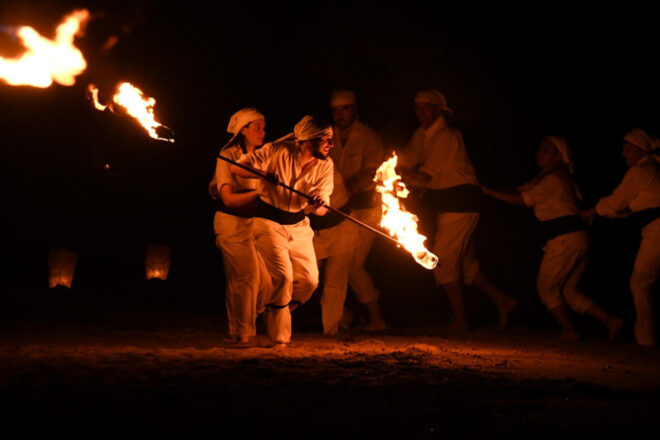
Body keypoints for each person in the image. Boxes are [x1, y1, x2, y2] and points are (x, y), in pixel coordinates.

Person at [398, 89, 517, 333]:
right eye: (417, 107)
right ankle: (503, 301)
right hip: (451, 205)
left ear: (439, 109)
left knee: (442, 260)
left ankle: (460, 320)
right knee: (465, 264)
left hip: (461, 203)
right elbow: (407, 157)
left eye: (426, 106)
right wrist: (390, 166)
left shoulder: (447, 136)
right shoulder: (424, 134)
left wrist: (397, 176)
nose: (420, 112)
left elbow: (423, 176)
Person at [482, 136, 624, 341]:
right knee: (569, 291)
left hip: (564, 238)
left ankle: (569, 331)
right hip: (577, 237)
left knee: (546, 288)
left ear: (559, 157)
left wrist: (487, 191)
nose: (540, 152)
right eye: (541, 148)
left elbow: (521, 199)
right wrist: (491, 189)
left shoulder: (554, 180)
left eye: (547, 150)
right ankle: (611, 321)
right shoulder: (549, 177)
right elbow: (521, 191)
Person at [230, 115, 334, 347]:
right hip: (268, 222)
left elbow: (322, 210)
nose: (331, 144)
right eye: (326, 139)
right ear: (308, 140)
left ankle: (273, 305)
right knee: (284, 278)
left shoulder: (326, 165)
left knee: (309, 281)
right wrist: (261, 174)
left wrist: (319, 203)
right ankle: (280, 339)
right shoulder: (277, 150)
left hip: (298, 225)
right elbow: (237, 167)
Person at [582, 128, 660, 346]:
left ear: (640, 150)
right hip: (654, 228)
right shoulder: (654, 169)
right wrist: (600, 211)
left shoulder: (641, 171)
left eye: (627, 149)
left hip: (658, 231)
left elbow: (617, 202)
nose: (624, 154)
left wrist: (593, 210)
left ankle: (646, 340)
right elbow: (632, 208)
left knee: (640, 283)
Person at [209, 108, 272, 346]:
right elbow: (228, 199)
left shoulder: (265, 155)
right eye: (257, 127)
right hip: (230, 224)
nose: (262, 132)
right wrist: (261, 190)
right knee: (246, 278)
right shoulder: (227, 155)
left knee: (265, 283)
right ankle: (244, 334)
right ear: (243, 130)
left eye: (264, 127)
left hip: (255, 225)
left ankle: (238, 326)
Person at [329, 89, 387, 331]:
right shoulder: (327, 137)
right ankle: (342, 315)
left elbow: (370, 172)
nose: (340, 114)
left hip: (367, 209)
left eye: (345, 109)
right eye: (335, 110)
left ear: (354, 110)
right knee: (329, 262)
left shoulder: (369, 137)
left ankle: (377, 319)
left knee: (353, 265)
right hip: (338, 211)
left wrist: (347, 189)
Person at [309, 168, 360, 336]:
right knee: (307, 278)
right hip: (312, 231)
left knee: (335, 280)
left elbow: (322, 208)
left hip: (342, 226)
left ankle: (331, 330)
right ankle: (272, 315)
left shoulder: (330, 171)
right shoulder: (291, 168)